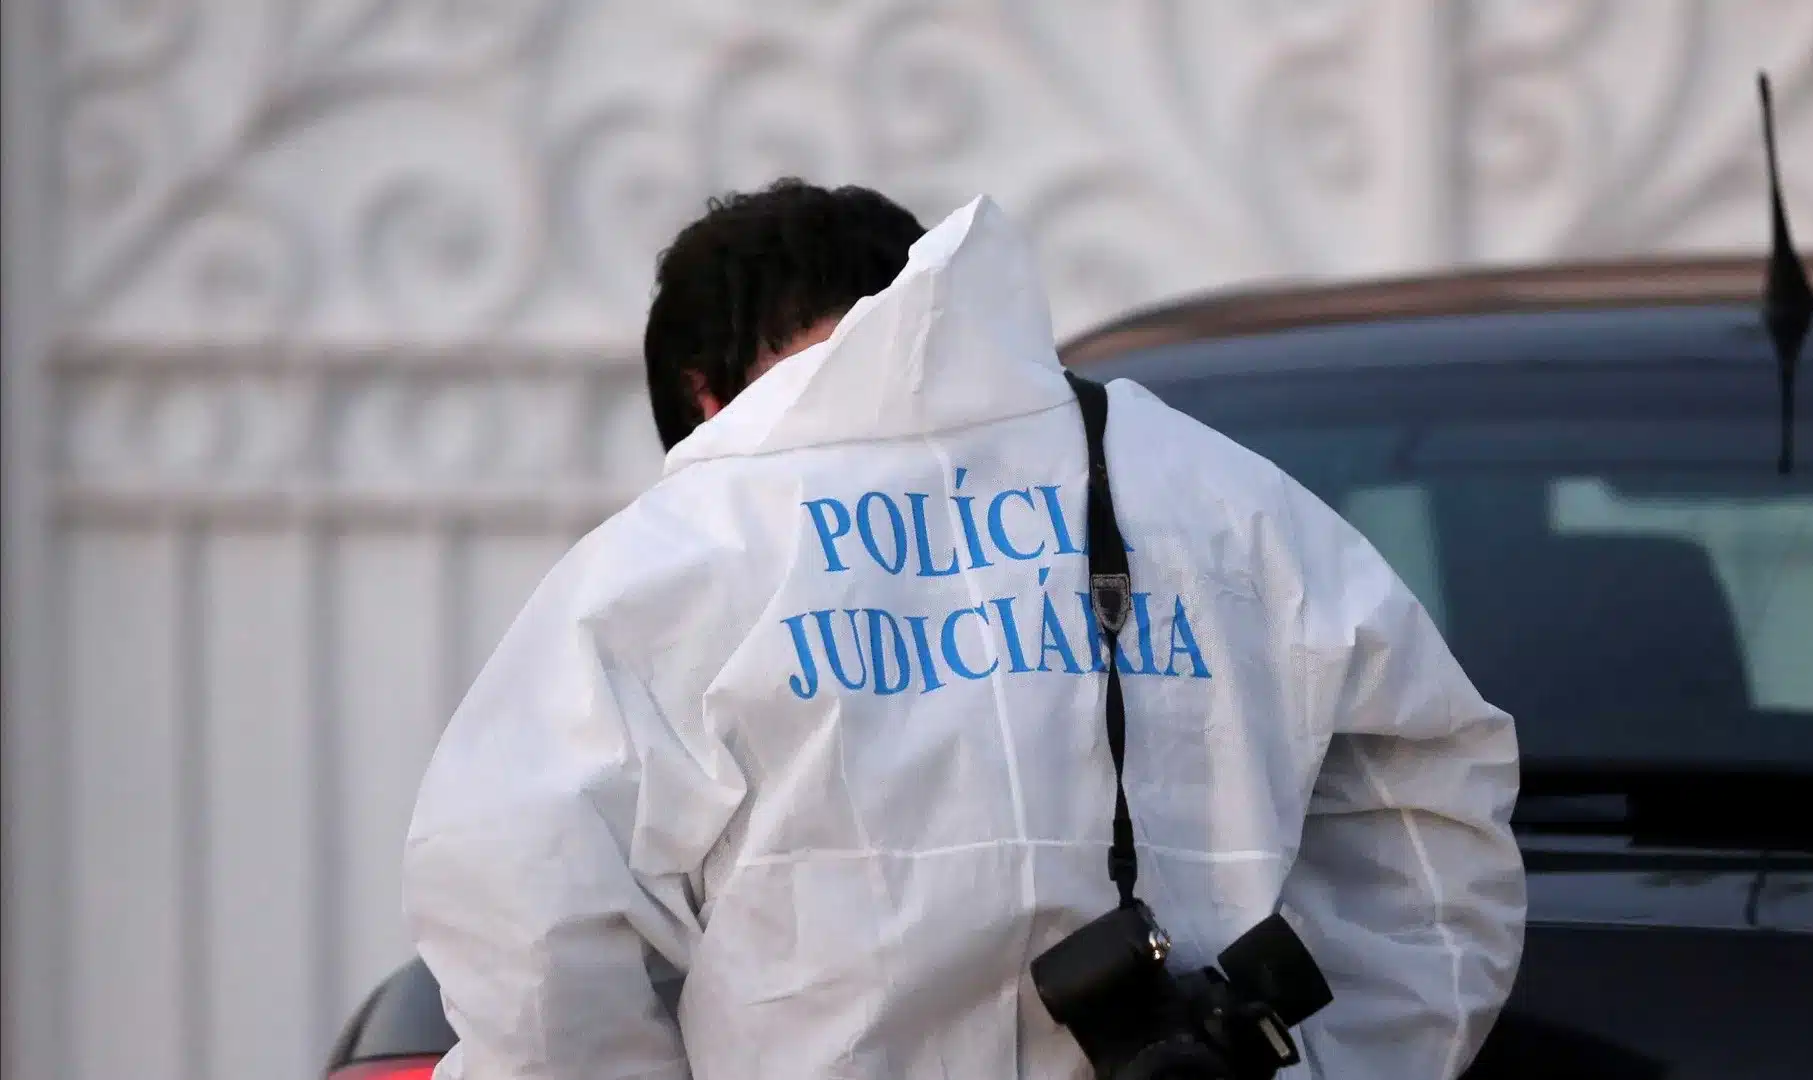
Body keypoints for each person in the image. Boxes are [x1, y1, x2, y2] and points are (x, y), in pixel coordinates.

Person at [402, 179, 1526, 1079]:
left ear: (701, 394)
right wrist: (1342, 1057)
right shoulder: (1222, 499)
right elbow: (1431, 818)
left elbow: (530, 930)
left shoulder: (676, 556)